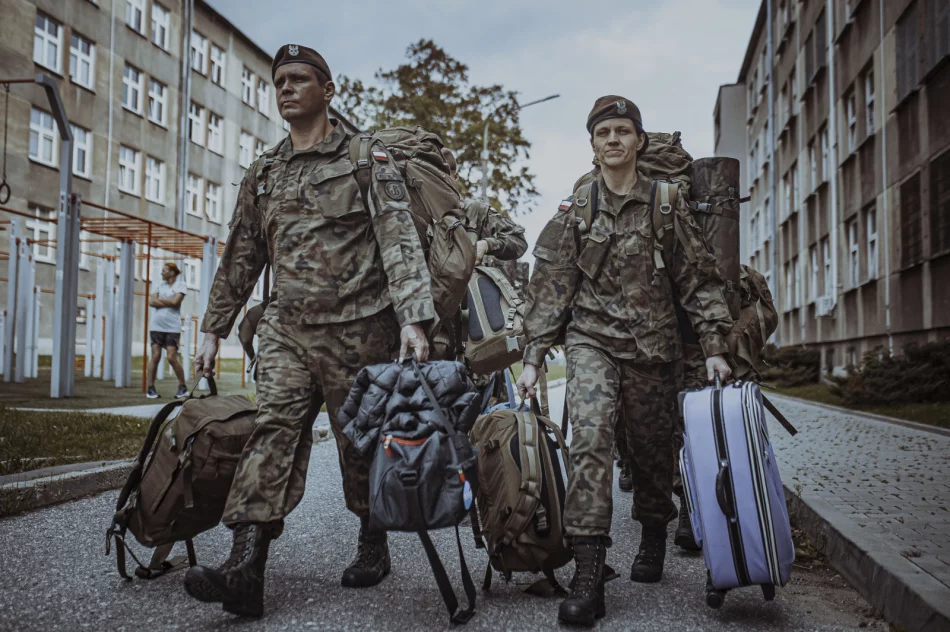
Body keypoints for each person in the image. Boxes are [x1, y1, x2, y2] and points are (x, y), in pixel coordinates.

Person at [183, 44, 434, 618]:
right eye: (279, 81)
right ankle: (244, 566)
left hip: (359, 331)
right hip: (286, 332)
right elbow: (242, 253)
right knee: (271, 430)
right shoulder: (264, 172)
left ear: (328, 90)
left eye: (299, 79)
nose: (286, 88)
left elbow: (398, 238)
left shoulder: (365, 158)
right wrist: (213, 328)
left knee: (359, 448)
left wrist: (413, 318)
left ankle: (373, 541)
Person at [515, 96, 733, 626]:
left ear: (638, 140)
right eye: (603, 133)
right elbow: (552, 287)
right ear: (592, 146)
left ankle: (654, 528)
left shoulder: (665, 203)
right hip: (592, 343)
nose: (612, 139)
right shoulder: (577, 209)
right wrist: (534, 357)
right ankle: (589, 573)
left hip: (654, 351)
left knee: (652, 454)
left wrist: (715, 349)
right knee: (588, 441)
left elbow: (697, 281)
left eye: (622, 131)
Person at [146, 262, 188, 399]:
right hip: (156, 326)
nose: (162, 273)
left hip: (172, 327)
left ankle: (182, 387)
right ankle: (150, 388)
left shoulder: (180, 285)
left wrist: (160, 300)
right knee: (155, 356)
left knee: (171, 357)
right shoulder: (159, 285)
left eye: (164, 271)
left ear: (172, 272)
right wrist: (169, 300)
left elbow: (176, 302)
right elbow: (151, 302)